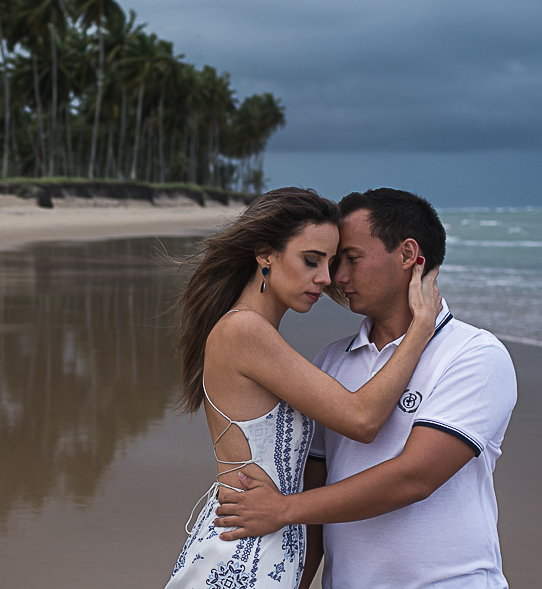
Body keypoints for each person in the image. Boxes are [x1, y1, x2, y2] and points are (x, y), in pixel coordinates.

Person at [213, 188, 517, 589]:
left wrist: (285, 509)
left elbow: (415, 477)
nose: (336, 278)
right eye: (330, 262)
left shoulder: (475, 354)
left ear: (408, 255)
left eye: (351, 259)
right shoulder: (333, 360)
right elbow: (316, 485)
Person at [165, 187, 439, 589]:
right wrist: (420, 330)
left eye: (332, 262)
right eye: (311, 261)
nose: (326, 278)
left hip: (271, 547)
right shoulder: (244, 331)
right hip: (242, 556)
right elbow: (361, 419)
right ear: (265, 254)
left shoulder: (258, 335)